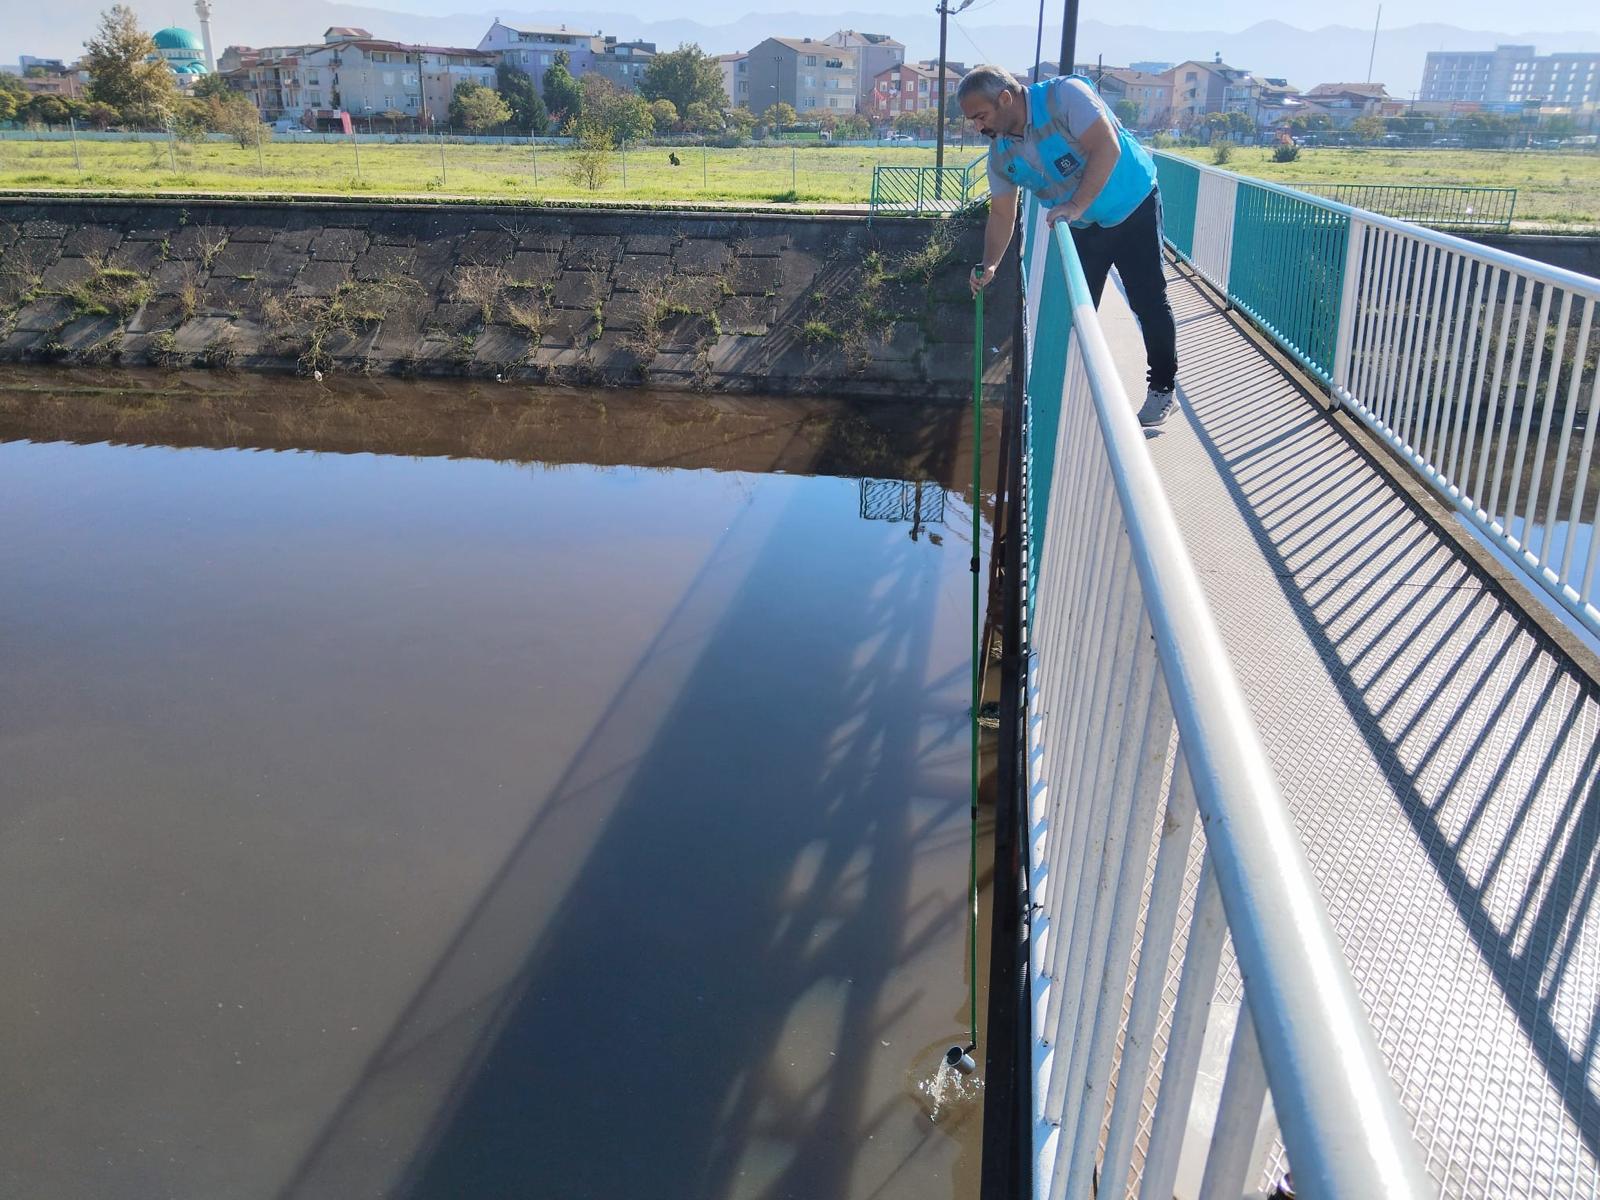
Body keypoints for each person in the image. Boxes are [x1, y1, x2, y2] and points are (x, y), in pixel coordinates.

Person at [960, 65, 1178, 426]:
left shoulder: (1065, 96)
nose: (978, 127)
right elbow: (1001, 213)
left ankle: (1162, 389)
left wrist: (1076, 204)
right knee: (1079, 312)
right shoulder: (1000, 154)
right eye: (972, 121)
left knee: (1148, 300)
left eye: (980, 116)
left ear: (1005, 99)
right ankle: (1076, 399)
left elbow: (1106, 146)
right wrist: (991, 264)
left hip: (1131, 204)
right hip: (1083, 224)